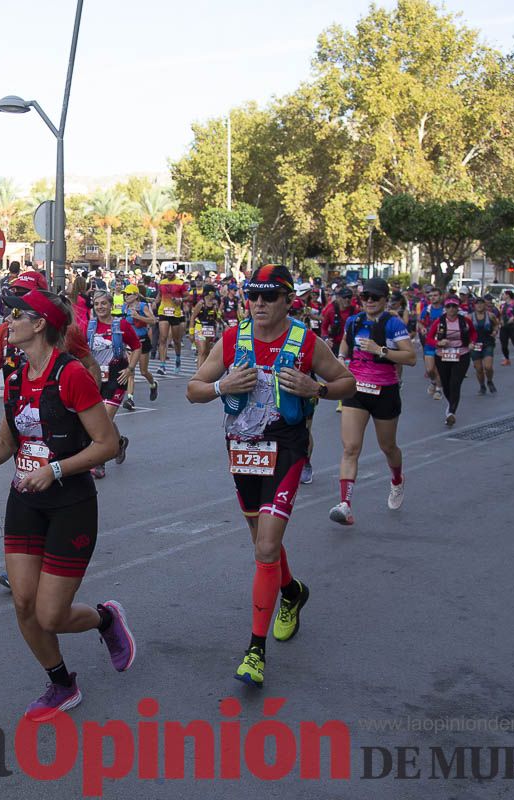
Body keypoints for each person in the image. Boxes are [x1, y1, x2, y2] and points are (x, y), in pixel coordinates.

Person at [0, 289, 132, 720]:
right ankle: (61, 683)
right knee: (23, 603)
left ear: (39, 325)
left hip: (70, 504)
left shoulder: (71, 375)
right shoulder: (15, 377)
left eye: (17, 315)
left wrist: (55, 470)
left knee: (50, 615)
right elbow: (6, 443)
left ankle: (106, 620)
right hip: (25, 501)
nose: (8, 322)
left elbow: (107, 444)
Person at [186, 265, 355, 688]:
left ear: (287, 301)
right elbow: (193, 389)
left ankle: (255, 651)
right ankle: (292, 592)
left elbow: (347, 383)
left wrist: (316, 389)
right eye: (253, 296)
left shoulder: (306, 342)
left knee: (265, 547)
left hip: (287, 450)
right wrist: (223, 386)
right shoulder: (233, 339)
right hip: (243, 451)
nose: (258, 304)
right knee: (262, 541)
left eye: (268, 297)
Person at [329, 278, 417, 525]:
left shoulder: (393, 323)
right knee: (350, 448)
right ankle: (345, 505)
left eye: (374, 297)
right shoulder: (354, 321)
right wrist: (341, 357)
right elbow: (345, 342)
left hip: (385, 391)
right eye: (365, 297)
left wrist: (381, 350)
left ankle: (397, 480)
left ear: (385, 300)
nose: (369, 301)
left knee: (387, 446)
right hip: (356, 389)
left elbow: (411, 358)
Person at [86, 291, 140, 477]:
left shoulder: (121, 324)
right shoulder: (90, 326)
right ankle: (119, 443)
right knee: (104, 419)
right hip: (96, 379)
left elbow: (137, 347)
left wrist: (130, 369)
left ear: (111, 305)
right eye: (96, 304)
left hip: (117, 378)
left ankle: (99, 463)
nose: (100, 307)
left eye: (103, 303)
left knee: (102, 421)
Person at [433, 297, 475, 426]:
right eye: (448, 306)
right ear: (445, 308)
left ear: (458, 308)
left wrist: (472, 342)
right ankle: (451, 405)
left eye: (454, 306)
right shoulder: (439, 321)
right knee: (446, 384)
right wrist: (438, 343)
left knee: (455, 383)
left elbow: (473, 333)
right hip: (443, 355)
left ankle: (451, 412)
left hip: (461, 354)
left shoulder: (465, 321)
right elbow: (429, 338)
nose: (451, 309)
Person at [123, 284, 159, 403]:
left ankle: (153, 384)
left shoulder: (142, 306)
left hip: (142, 340)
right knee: (131, 371)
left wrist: (138, 317)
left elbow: (153, 320)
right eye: (125, 294)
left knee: (143, 371)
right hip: (130, 342)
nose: (126, 296)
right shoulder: (125, 307)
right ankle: (130, 399)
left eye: (128, 294)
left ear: (135, 295)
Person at [155, 266, 187, 374]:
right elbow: (160, 295)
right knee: (163, 338)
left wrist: (180, 299)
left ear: (174, 272)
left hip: (175, 313)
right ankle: (162, 365)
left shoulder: (180, 283)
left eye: (171, 272)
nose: (169, 274)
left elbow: (188, 297)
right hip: (163, 312)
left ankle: (178, 359)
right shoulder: (162, 282)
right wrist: (155, 303)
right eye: (167, 272)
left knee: (176, 340)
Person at [417, 287, 446, 399]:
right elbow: (420, 322)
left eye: (435, 295)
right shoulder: (427, 309)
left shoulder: (445, 310)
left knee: (438, 368)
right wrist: (422, 328)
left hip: (441, 343)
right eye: (430, 296)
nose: (432, 298)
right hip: (429, 342)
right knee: (430, 370)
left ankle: (439, 389)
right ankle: (433, 381)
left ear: (441, 297)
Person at [470, 296, 500, 395]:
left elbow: (496, 325)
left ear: (485, 305)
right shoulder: (469, 317)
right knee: (478, 369)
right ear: (474, 305)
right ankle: (482, 386)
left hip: (488, 343)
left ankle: (490, 381)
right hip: (475, 345)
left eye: (481, 303)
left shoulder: (490, 315)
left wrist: (495, 331)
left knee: (488, 367)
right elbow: (464, 329)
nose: (479, 305)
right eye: (477, 303)